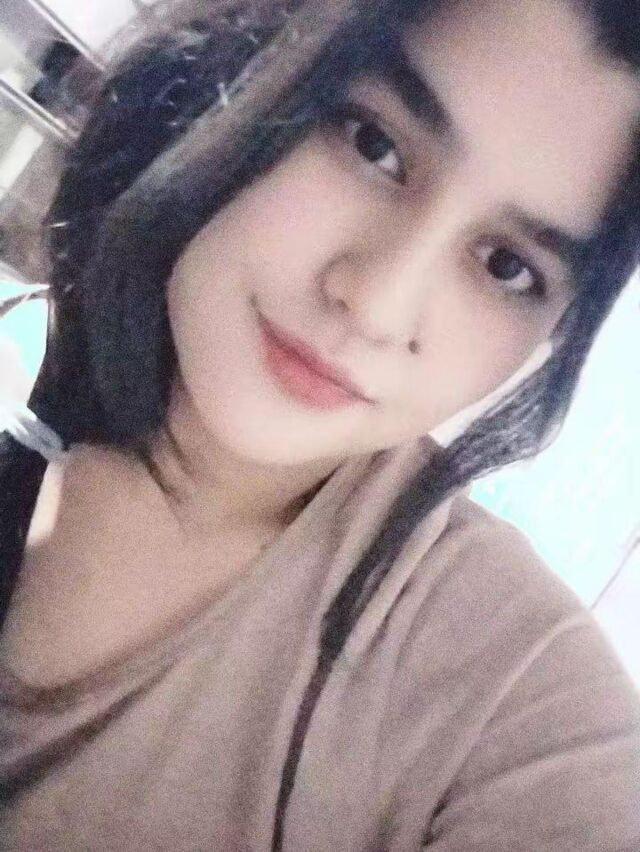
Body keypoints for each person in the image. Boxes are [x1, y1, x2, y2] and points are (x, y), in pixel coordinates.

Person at [0, 0, 639, 848]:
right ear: (253, 58)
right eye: (373, 143)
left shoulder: (506, 700)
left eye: (506, 266)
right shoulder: (28, 355)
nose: (376, 305)